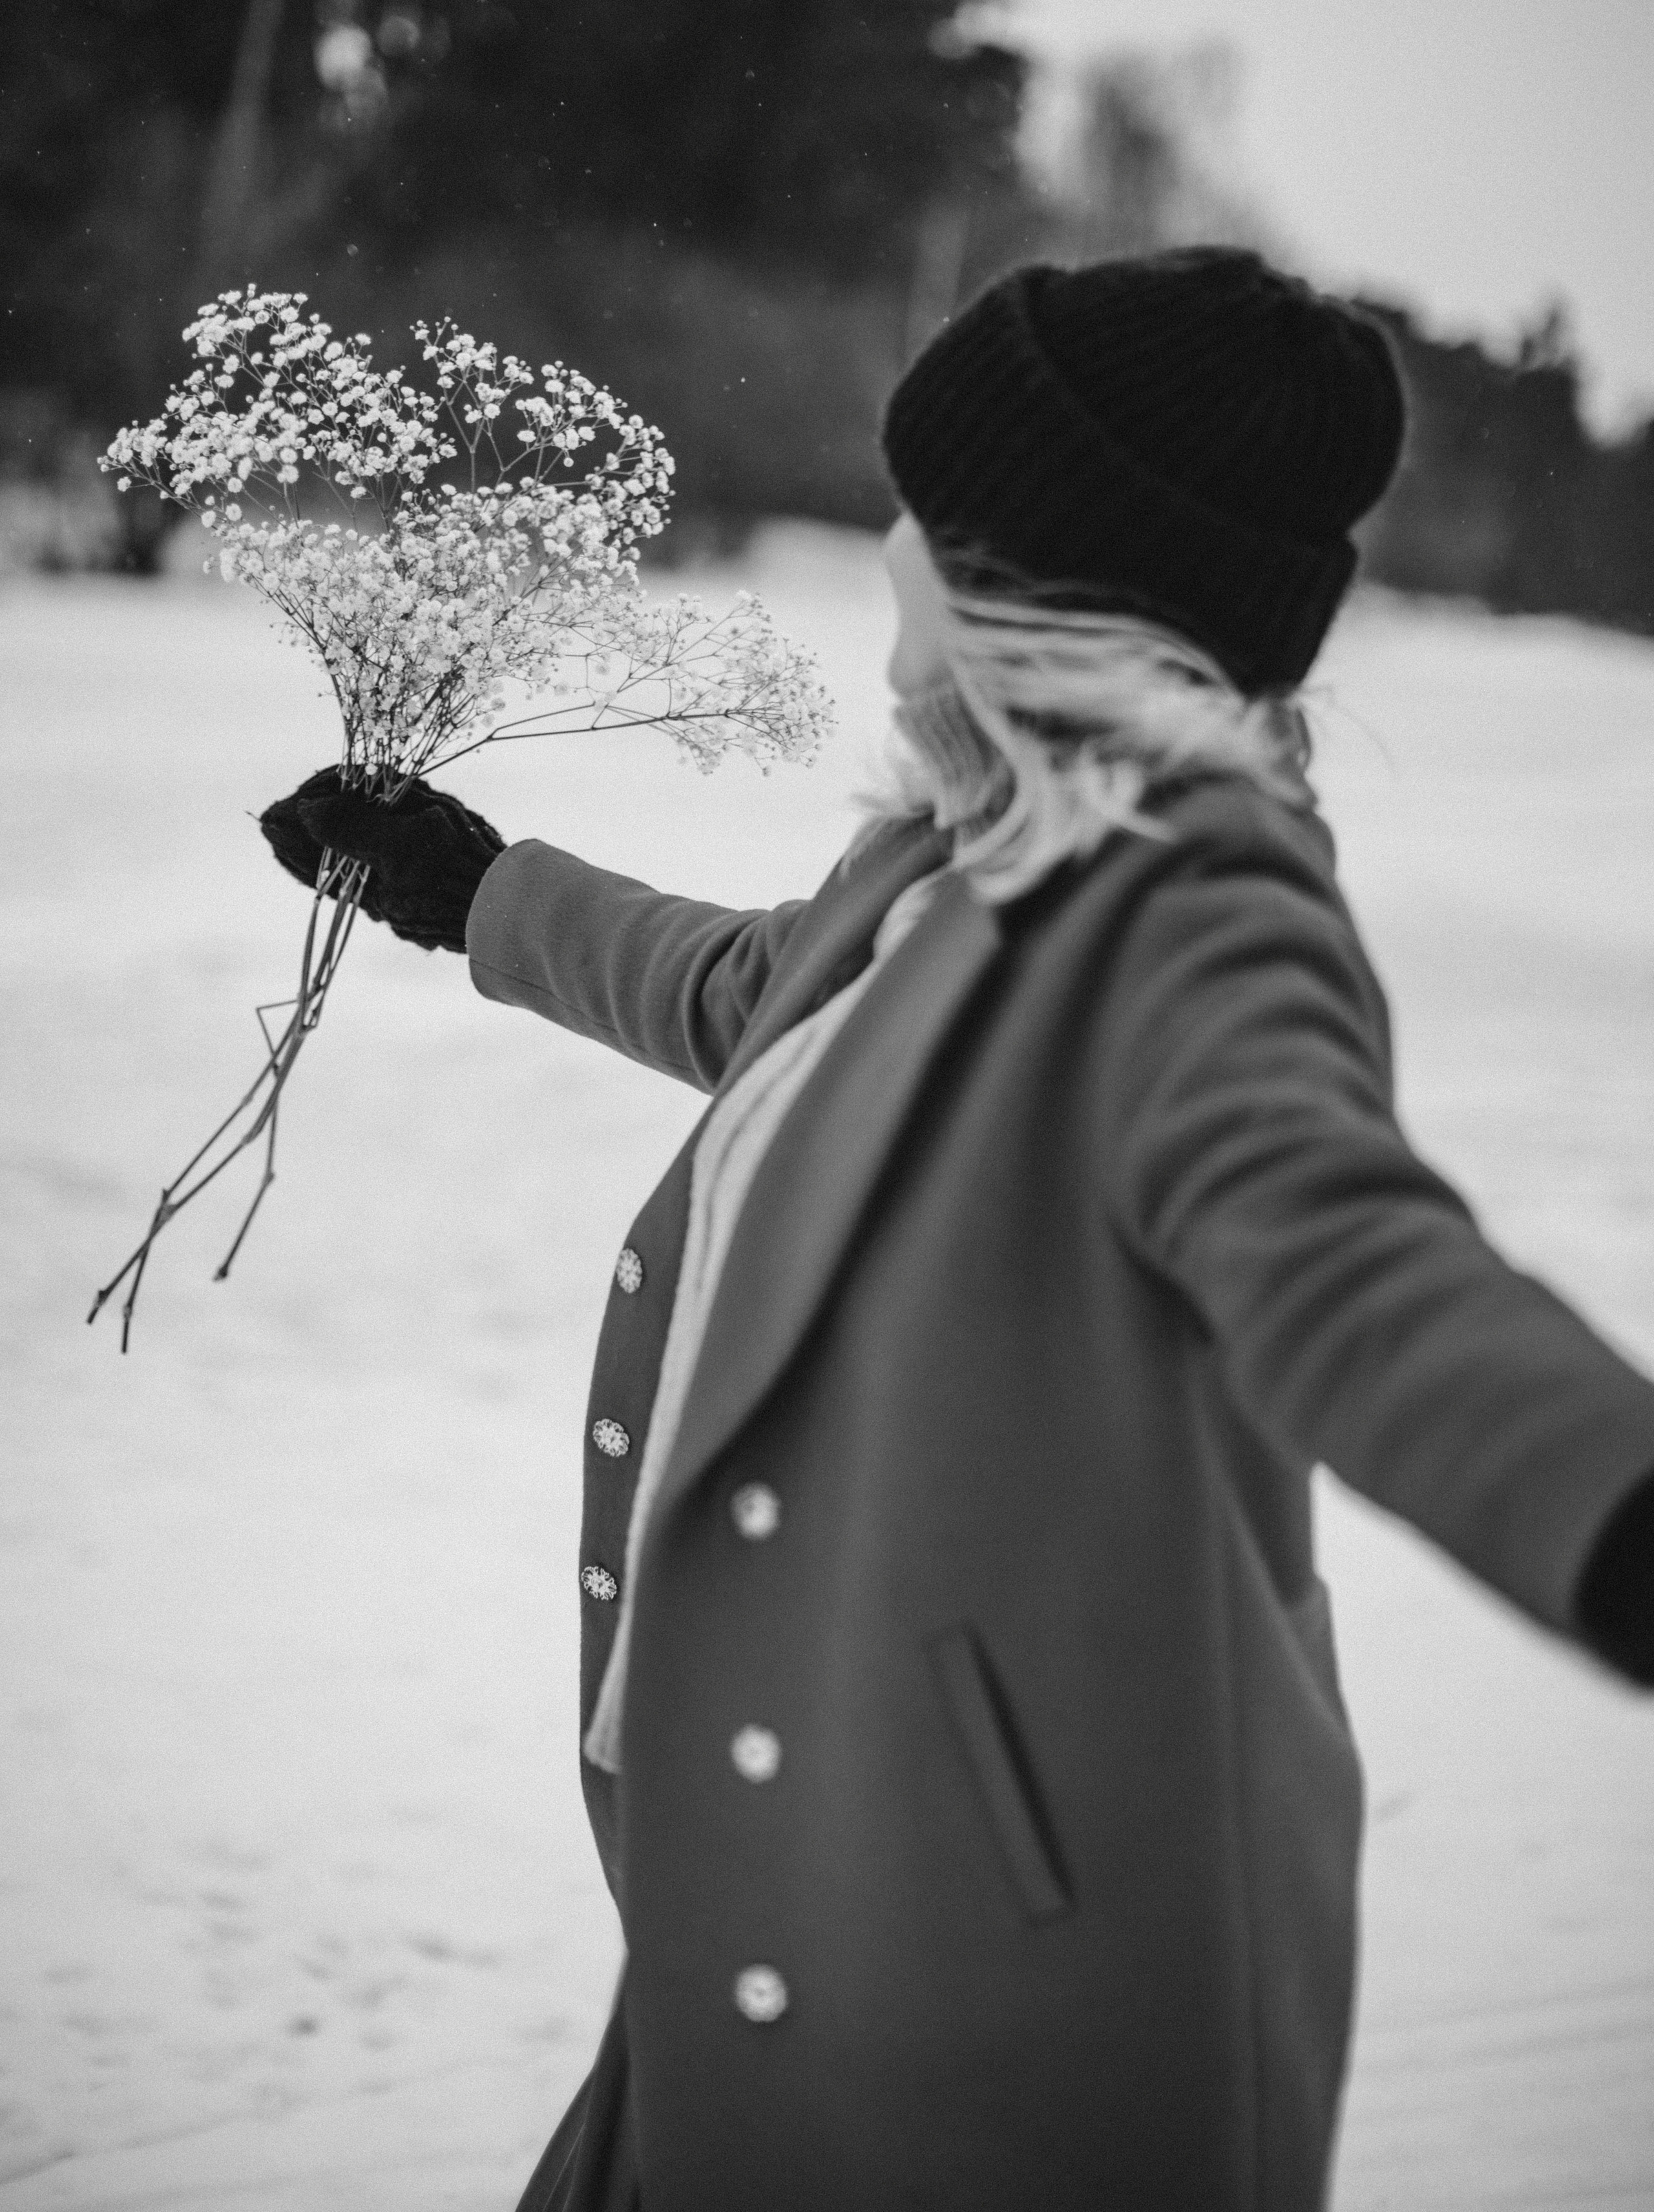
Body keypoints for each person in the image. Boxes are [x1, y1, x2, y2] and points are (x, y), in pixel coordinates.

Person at [262, 249, 1654, 2212]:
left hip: (992, 1984)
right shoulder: (946, 864)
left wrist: (1615, 1512)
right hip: (783, 1891)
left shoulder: (1191, 917)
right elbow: (761, 998)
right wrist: (470, 890)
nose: (893, 555)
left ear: (1033, 589)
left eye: (928, 516)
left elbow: (1355, 1262)